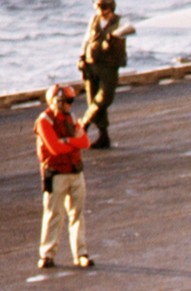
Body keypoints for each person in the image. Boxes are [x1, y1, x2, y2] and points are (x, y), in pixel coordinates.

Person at [35, 84, 93, 271]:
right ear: (55, 101)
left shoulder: (71, 118)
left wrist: (67, 141)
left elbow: (85, 142)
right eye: (67, 100)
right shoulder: (44, 122)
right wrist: (73, 143)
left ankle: (81, 254)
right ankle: (47, 254)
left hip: (75, 172)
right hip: (57, 174)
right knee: (54, 215)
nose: (70, 104)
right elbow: (54, 148)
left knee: (77, 215)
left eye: (71, 100)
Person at [80, 0, 132, 149]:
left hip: (109, 66)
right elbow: (86, 40)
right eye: (97, 6)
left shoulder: (120, 20)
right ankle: (104, 135)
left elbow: (130, 28)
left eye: (102, 6)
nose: (99, 10)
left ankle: (84, 123)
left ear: (110, 7)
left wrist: (115, 35)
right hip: (91, 64)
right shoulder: (94, 20)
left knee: (104, 98)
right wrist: (81, 57)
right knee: (92, 100)